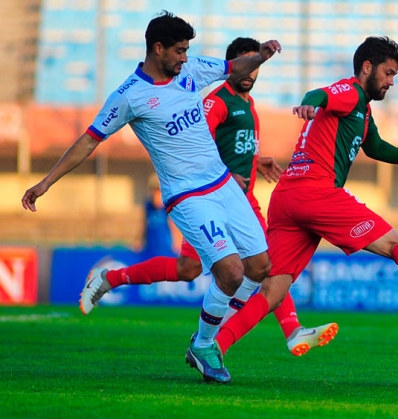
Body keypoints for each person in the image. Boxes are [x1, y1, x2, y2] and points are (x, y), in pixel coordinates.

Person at [21, 11, 282, 383]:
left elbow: (231, 65)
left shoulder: (190, 71)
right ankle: (206, 343)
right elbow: (89, 140)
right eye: (179, 50)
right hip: (188, 197)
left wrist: (260, 57)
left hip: (223, 184)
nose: (185, 57)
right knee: (231, 271)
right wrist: (46, 182)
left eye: (187, 50)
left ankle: (205, 336)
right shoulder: (130, 95)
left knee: (259, 267)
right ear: (157, 49)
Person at [212, 36, 398, 362]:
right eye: (388, 73)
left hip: (287, 197)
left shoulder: (362, 110)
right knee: (396, 245)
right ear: (367, 67)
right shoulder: (350, 92)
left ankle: (213, 347)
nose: (390, 81)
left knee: (273, 290)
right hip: (316, 192)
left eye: (394, 76)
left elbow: (377, 148)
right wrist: (309, 104)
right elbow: (321, 95)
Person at [77, 37, 338, 358]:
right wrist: (227, 175)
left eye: (255, 65)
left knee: (240, 266)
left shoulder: (247, 103)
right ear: (231, 67)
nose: (250, 73)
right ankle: (114, 279)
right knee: (216, 267)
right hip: (211, 198)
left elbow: (226, 145)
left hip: (239, 200)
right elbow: (197, 143)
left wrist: (257, 160)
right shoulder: (218, 101)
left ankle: (285, 330)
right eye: (245, 64)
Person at [140, 173, 179, 258]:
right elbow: (144, 225)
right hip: (150, 248)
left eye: (158, 192)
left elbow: (173, 226)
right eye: (154, 192)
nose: (155, 195)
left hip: (165, 248)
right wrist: (140, 241)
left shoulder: (167, 207)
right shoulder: (148, 206)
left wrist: (176, 243)